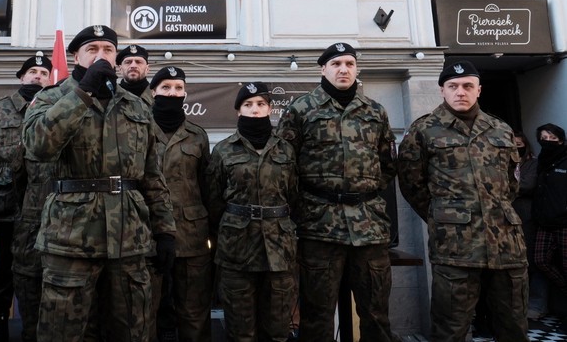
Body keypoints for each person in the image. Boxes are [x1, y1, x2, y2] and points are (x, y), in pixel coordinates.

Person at [22, 24, 177, 341]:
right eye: (92, 50)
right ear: (76, 56)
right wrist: (82, 93)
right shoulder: (50, 98)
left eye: (107, 50)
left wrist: (165, 231)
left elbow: (152, 175)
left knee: (132, 329)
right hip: (71, 238)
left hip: (129, 240)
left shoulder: (135, 106)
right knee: (64, 331)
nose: (101, 56)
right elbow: (38, 146)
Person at [397, 61, 528, 342]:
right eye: (453, 86)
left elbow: (511, 183)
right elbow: (412, 185)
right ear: (442, 90)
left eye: (468, 86)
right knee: (450, 327)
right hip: (455, 247)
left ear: (478, 89)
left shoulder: (500, 129)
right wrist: (443, 216)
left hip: (506, 243)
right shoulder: (423, 131)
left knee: (513, 325)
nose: (460, 92)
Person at [276, 42, 398, 342]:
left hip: (368, 225)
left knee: (376, 312)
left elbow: (387, 163)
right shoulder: (301, 110)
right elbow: (284, 166)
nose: (343, 69)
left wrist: (361, 192)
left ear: (356, 70)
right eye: (336, 64)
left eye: (349, 64)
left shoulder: (375, 111)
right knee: (317, 314)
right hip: (320, 225)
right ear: (323, 69)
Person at [206, 82, 298, 341]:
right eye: (248, 105)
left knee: (278, 329)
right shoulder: (223, 150)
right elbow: (213, 200)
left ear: (269, 108)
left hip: (278, 249)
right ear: (238, 111)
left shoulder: (286, 150)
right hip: (237, 249)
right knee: (240, 330)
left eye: (260, 104)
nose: (254, 110)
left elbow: (294, 195)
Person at [0, 55, 53, 342]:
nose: (38, 77)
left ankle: (33, 326)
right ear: (21, 77)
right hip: (4, 208)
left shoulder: (55, 109)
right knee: (0, 268)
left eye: (44, 73)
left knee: (36, 271)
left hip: (41, 208)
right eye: (32, 72)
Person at [147, 66, 213, 342]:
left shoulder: (197, 135)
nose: (172, 93)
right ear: (153, 92)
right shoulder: (140, 129)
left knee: (193, 311)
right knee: (146, 310)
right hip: (147, 233)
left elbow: (207, 186)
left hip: (191, 236)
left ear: (185, 93)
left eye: (178, 89)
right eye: (165, 88)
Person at [512, 129, 549, 320]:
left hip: (527, 219)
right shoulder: (503, 164)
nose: (517, 148)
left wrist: (506, 185)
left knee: (533, 262)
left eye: (520, 145)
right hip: (506, 221)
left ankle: (536, 305)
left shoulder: (532, 164)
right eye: (513, 145)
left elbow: (527, 185)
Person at [533, 123, 567, 301]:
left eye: (552, 138)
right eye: (544, 138)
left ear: (561, 140)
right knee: (540, 261)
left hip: (564, 223)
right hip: (544, 222)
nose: (548, 142)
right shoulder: (540, 161)